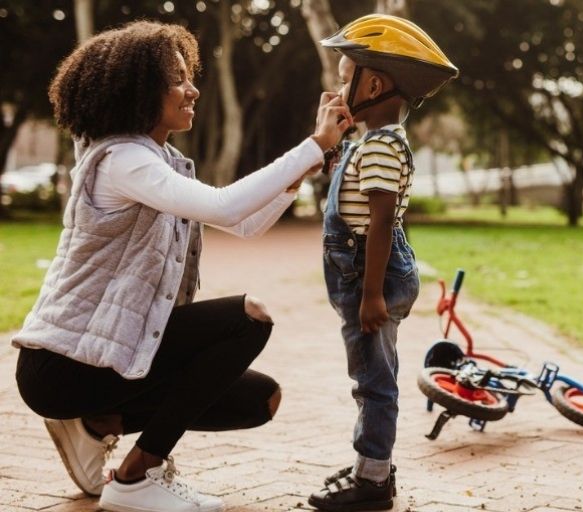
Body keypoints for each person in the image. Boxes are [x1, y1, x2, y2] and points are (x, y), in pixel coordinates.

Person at [12, 21, 351, 512]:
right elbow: (226, 207)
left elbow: (246, 223)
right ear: (140, 89)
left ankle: (96, 422)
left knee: (258, 400)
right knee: (247, 317)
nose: (192, 88)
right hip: (61, 365)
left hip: (106, 357)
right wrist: (312, 146)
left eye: (189, 75)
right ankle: (134, 477)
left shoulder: (160, 161)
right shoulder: (122, 160)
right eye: (178, 78)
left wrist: (303, 167)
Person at [306, 14, 458, 512]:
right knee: (374, 376)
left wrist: (371, 293)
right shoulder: (369, 142)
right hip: (365, 276)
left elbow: (379, 223)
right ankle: (371, 467)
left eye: (344, 74)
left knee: (374, 383)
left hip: (370, 278)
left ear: (372, 83)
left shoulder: (382, 146)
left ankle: (371, 482)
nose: (337, 84)